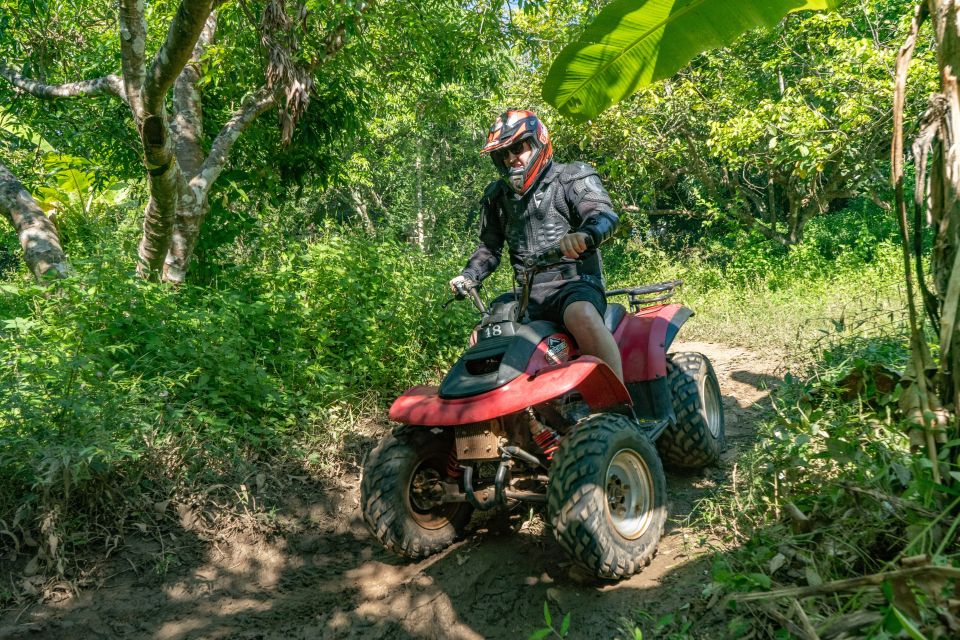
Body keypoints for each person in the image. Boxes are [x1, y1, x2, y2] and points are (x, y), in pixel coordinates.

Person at [449, 109, 623, 381]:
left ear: (538, 142)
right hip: (526, 294)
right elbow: (490, 248)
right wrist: (469, 275)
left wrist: (584, 235)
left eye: (517, 147)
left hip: (574, 285)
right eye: (502, 154)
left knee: (582, 315)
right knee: (484, 332)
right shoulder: (497, 197)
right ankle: (502, 414)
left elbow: (604, 215)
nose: (510, 158)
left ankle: (618, 408)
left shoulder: (572, 176)